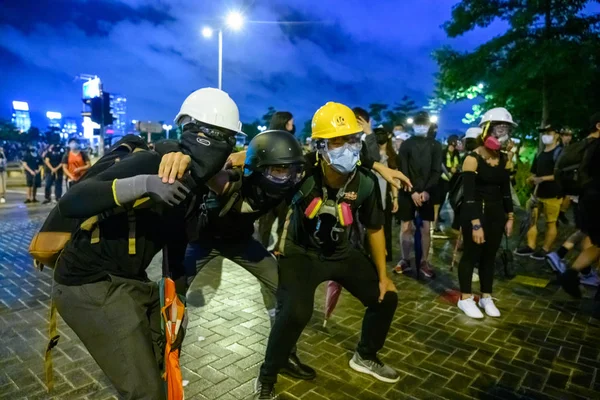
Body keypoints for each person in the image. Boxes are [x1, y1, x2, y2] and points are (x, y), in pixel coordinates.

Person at [51, 87, 242, 399]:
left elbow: (175, 253)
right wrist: (144, 184)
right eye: (214, 134)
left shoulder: (192, 188)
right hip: (87, 282)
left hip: (128, 279)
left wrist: (176, 305)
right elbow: (71, 202)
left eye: (228, 138)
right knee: (146, 392)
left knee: (161, 357)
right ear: (192, 132)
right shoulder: (154, 164)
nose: (221, 147)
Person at [254, 102, 401, 399]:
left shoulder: (365, 182)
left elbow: (374, 229)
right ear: (320, 146)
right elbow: (260, 164)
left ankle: (365, 355)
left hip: (341, 253)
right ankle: (268, 372)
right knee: (295, 312)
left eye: (352, 139)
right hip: (301, 253)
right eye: (337, 141)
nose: (347, 147)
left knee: (386, 297)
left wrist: (384, 276)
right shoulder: (300, 170)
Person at [180, 130, 315, 380]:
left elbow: (315, 158)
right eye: (278, 170)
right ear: (258, 168)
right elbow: (204, 167)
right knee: (172, 293)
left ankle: (283, 353)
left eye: (290, 170)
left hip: (241, 242)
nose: (286, 177)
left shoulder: (287, 179)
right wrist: (233, 159)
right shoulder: (233, 179)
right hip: (202, 241)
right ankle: (163, 355)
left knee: (282, 289)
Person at [457, 108, 515, 318]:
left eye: (506, 128)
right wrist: (475, 224)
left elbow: (506, 191)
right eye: (499, 128)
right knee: (471, 256)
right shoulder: (472, 159)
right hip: (475, 214)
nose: (503, 133)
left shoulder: (504, 159)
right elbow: (469, 195)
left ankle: (486, 296)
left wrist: (510, 216)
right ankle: (465, 298)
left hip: (496, 214)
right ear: (486, 130)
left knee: (490, 257)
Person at [394, 111, 442, 279]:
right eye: (418, 123)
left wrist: (427, 191)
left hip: (428, 193)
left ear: (429, 126)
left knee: (426, 229)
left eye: (424, 123)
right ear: (413, 125)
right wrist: (412, 191)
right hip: (408, 192)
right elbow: (403, 168)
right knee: (406, 227)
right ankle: (405, 259)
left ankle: (424, 261)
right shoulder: (407, 144)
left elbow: (436, 170)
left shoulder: (436, 145)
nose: (421, 126)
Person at [557, 112, 600, 297]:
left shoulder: (582, 146)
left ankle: (572, 273)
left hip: (585, 199)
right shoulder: (597, 147)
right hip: (598, 198)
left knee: (597, 243)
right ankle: (572, 274)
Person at [516, 125, 564, 260]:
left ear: (557, 135)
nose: (546, 135)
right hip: (537, 194)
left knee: (551, 222)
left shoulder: (560, 153)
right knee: (531, 220)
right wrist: (531, 179)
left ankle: (545, 249)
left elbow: (561, 174)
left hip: (553, 194)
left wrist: (541, 179)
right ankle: (530, 246)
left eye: (549, 132)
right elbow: (534, 172)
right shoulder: (540, 153)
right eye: (544, 133)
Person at [257, 111, 296, 251]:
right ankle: (277, 250)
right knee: (281, 223)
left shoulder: (265, 138)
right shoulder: (289, 141)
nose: (293, 123)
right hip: (282, 189)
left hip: (269, 188)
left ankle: (262, 250)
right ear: (285, 122)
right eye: (291, 121)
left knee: (265, 223)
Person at [373, 127, 399, 260]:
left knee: (387, 227)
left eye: (383, 133)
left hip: (385, 197)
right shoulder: (371, 154)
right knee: (374, 227)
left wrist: (395, 198)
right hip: (372, 196)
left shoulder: (392, 156)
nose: (380, 136)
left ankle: (385, 252)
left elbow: (393, 179)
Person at [434, 135, 460, 235]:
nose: (457, 144)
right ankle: (435, 221)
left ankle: (440, 217)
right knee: (439, 199)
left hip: (453, 180)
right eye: (456, 142)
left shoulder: (456, 153)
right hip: (442, 180)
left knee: (449, 199)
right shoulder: (443, 152)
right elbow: (441, 165)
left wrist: (456, 169)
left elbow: (458, 164)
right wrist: (449, 170)